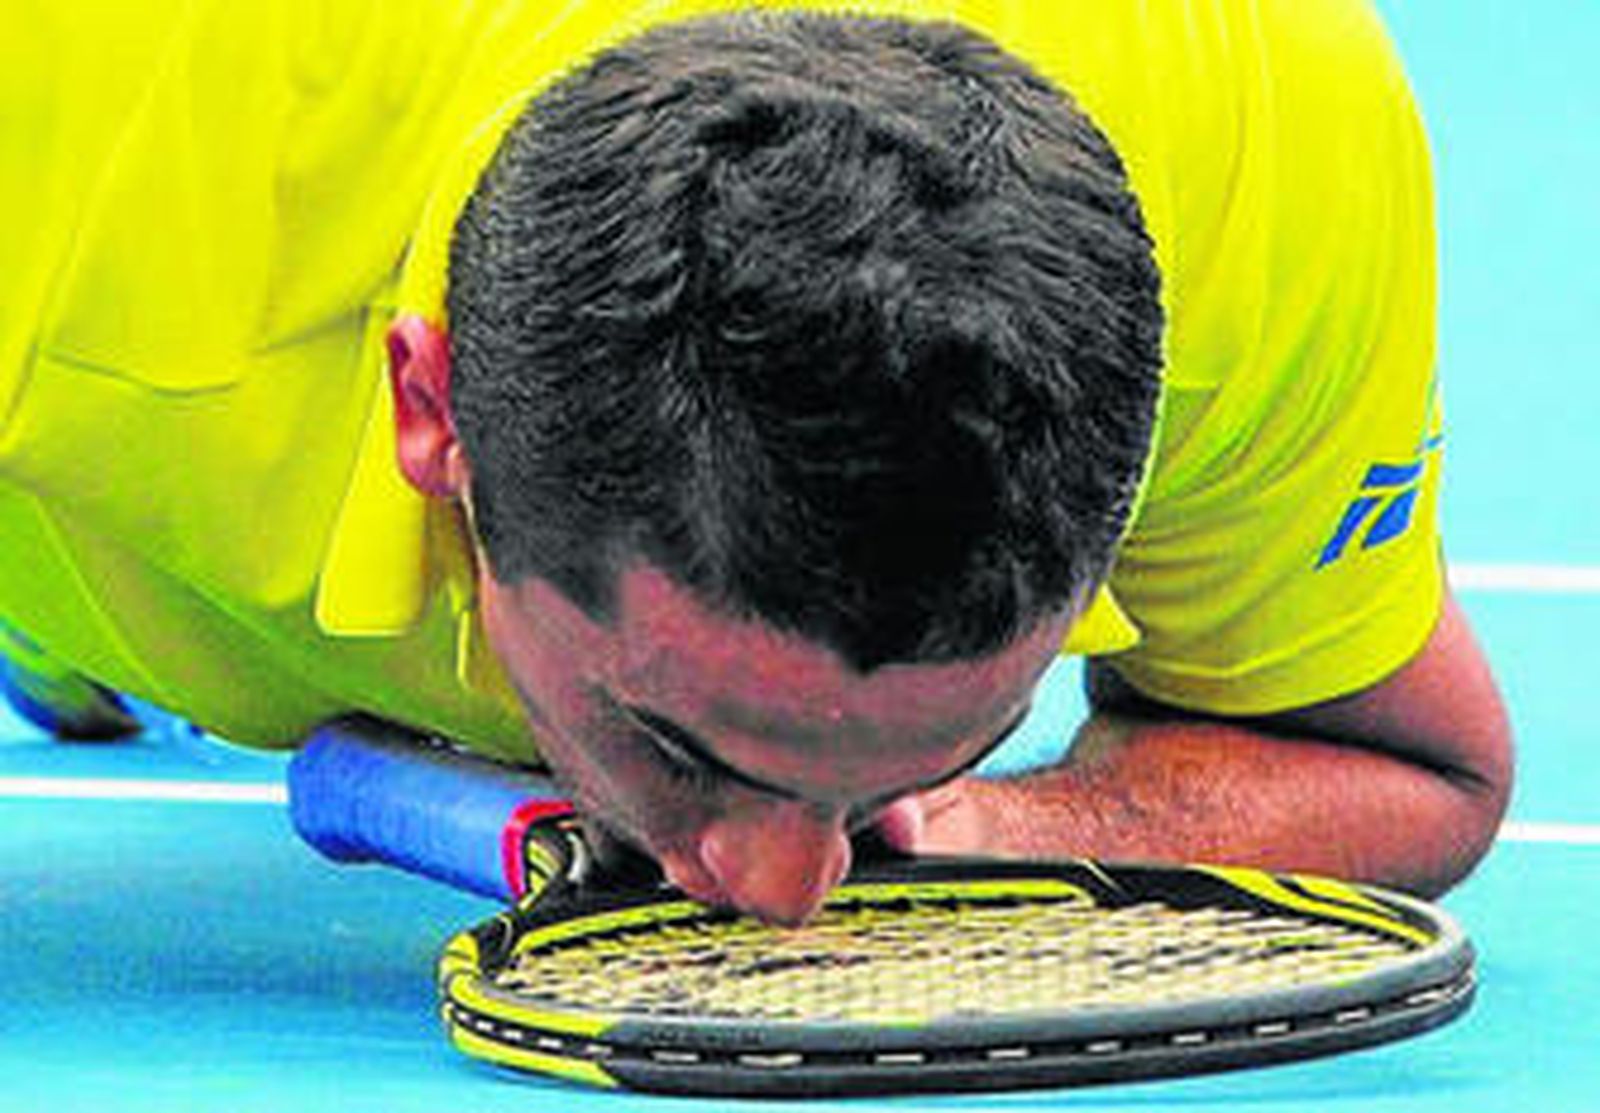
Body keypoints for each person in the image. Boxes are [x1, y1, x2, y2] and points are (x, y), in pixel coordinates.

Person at [0, 0, 1511, 925]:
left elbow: (1402, 760)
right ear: (434, 406)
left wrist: (988, 825)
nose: (790, 892)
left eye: (936, 742)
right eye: (688, 750)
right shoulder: (74, 122)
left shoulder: (1252, 136)